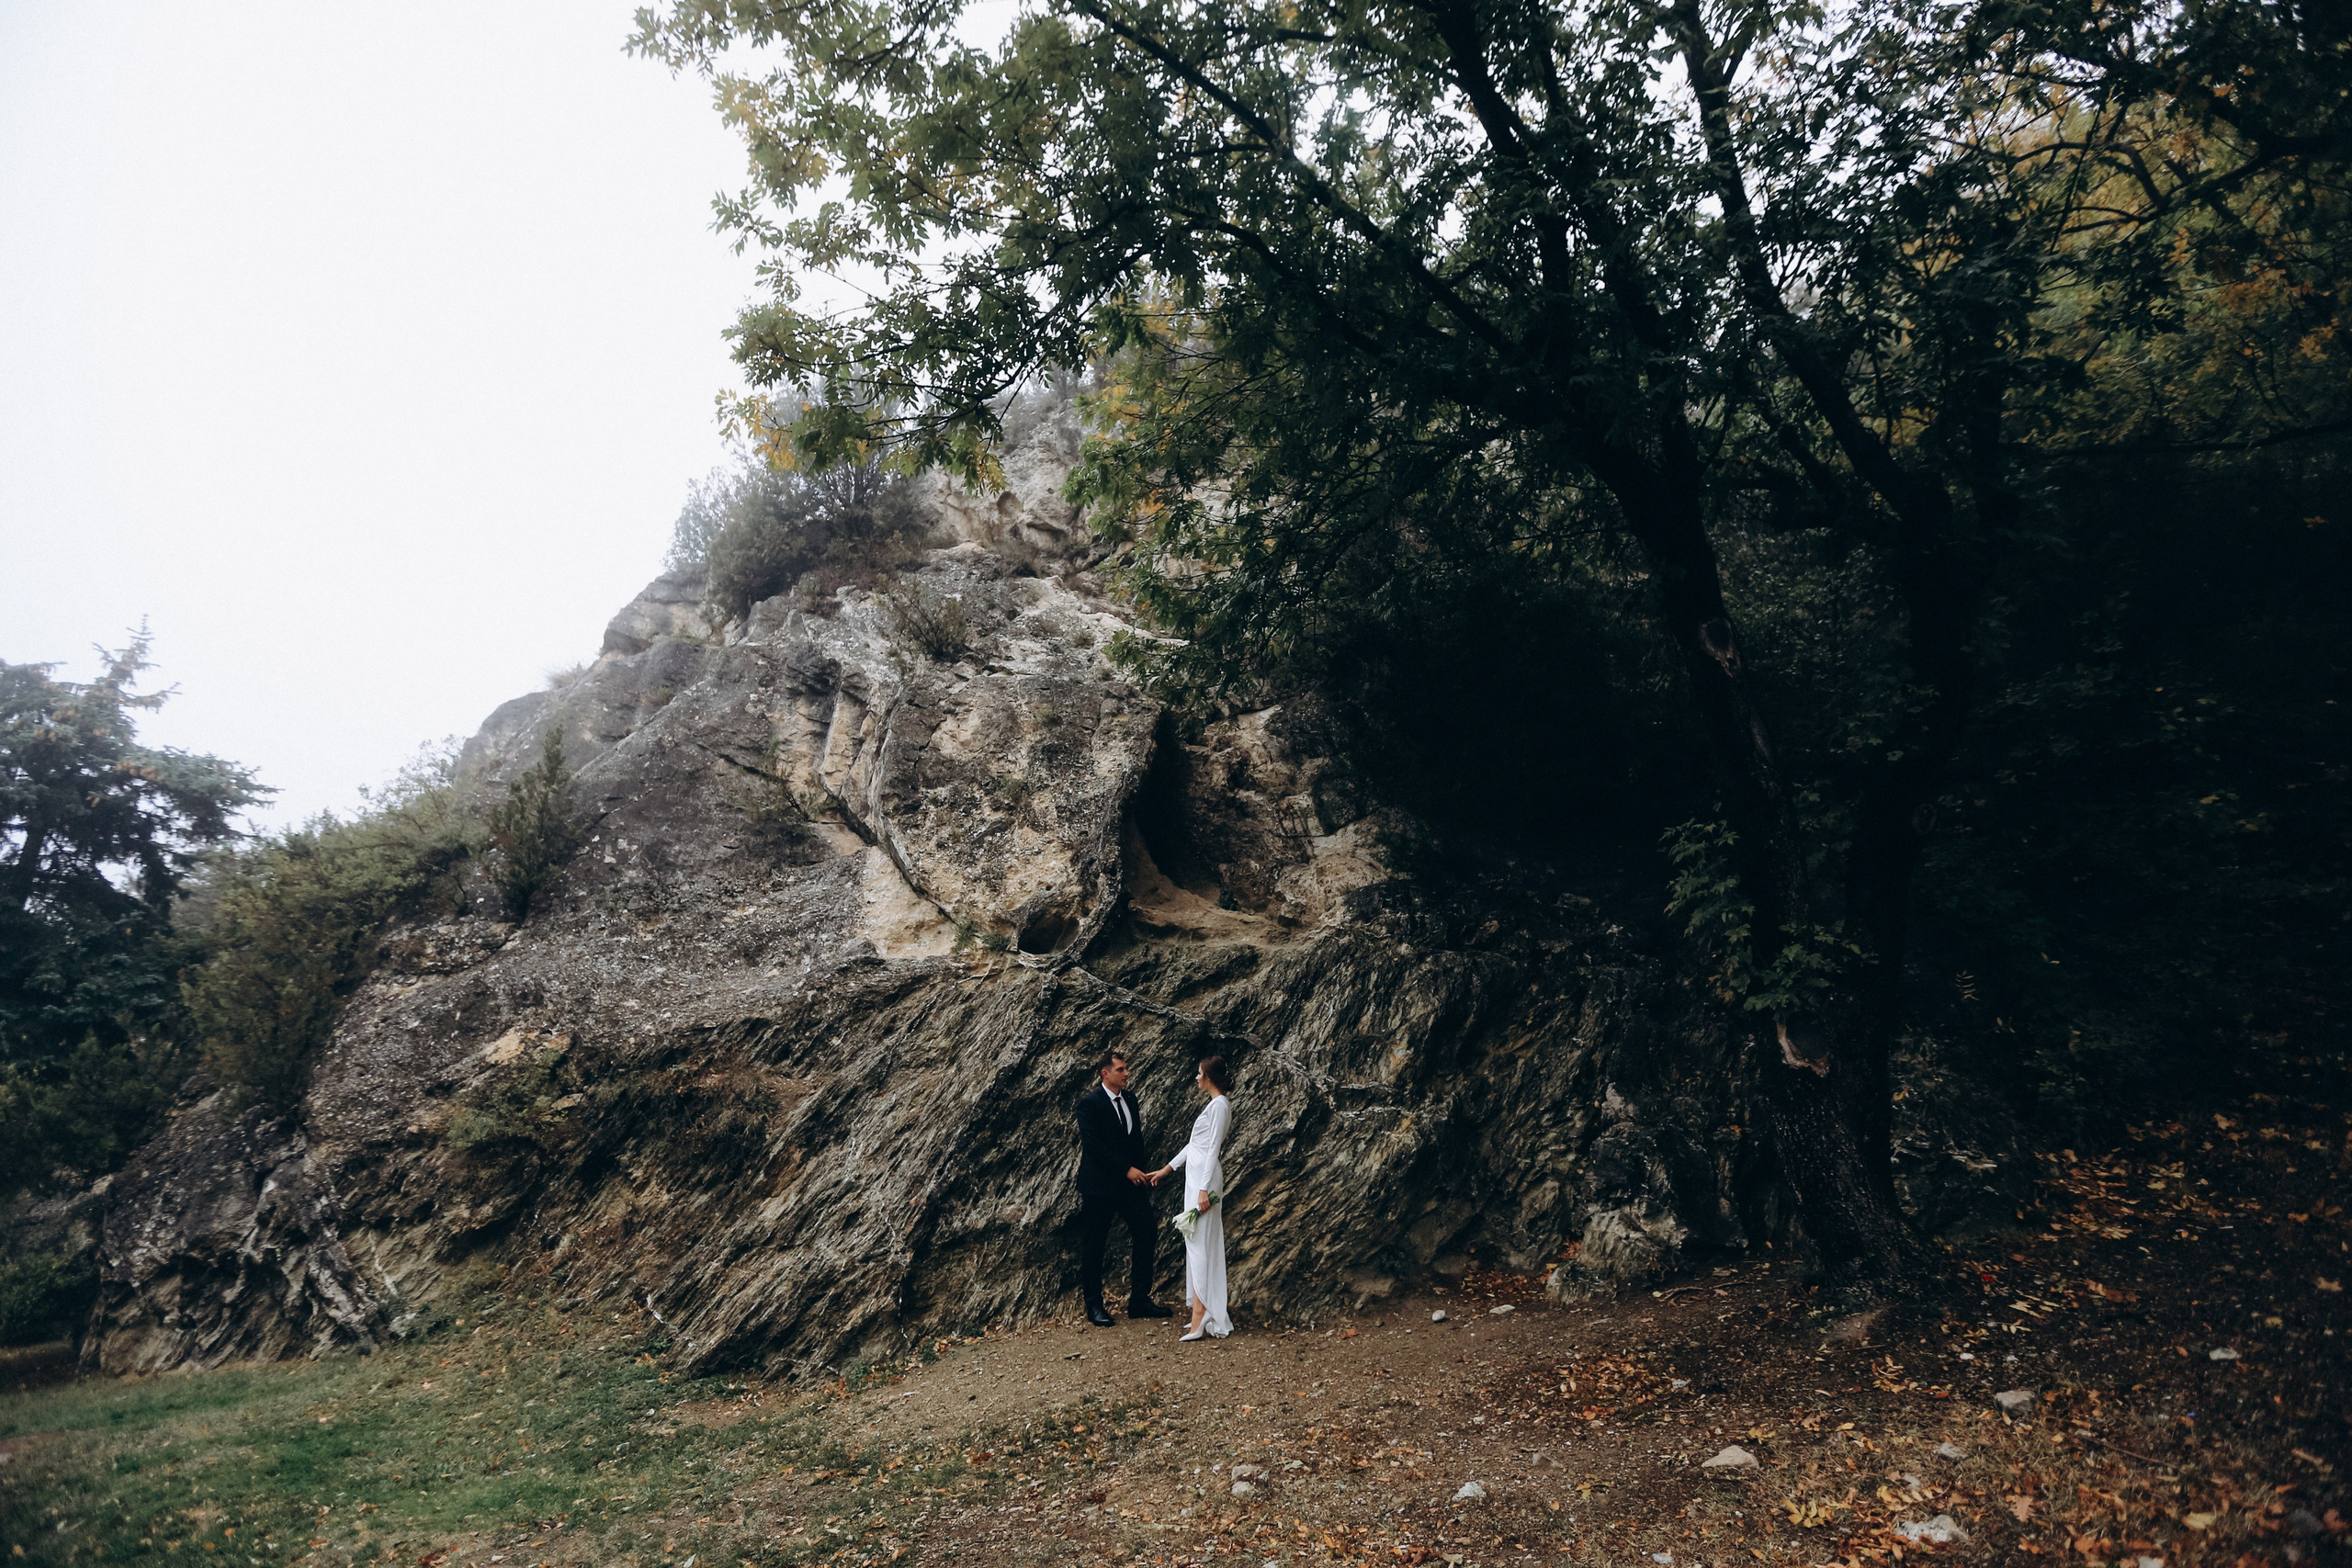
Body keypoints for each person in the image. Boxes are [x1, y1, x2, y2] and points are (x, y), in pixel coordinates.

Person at [1074, 1050, 1175, 1327]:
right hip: (1100, 1187)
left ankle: (1139, 1300)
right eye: (1121, 1069)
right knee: (1095, 1246)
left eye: (1126, 1069)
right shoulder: (1089, 1104)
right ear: (1105, 1073)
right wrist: (1125, 1169)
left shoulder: (1130, 1099)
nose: (1127, 1073)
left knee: (1147, 1231)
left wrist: (1140, 1172)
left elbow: (1135, 1141)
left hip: (1132, 1186)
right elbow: (1094, 1147)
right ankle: (1094, 1306)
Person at [1149, 1055, 1234, 1341]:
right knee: (1196, 1244)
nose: (1196, 1078)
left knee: (1200, 1245)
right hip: (1196, 1178)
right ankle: (1202, 1309)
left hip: (1204, 1181)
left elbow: (1212, 1150)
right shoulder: (1213, 1106)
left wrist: (1203, 1188)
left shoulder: (1220, 1106)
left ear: (1209, 1077)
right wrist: (1166, 1169)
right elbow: (1193, 1146)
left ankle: (1201, 1314)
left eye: (1199, 1073)